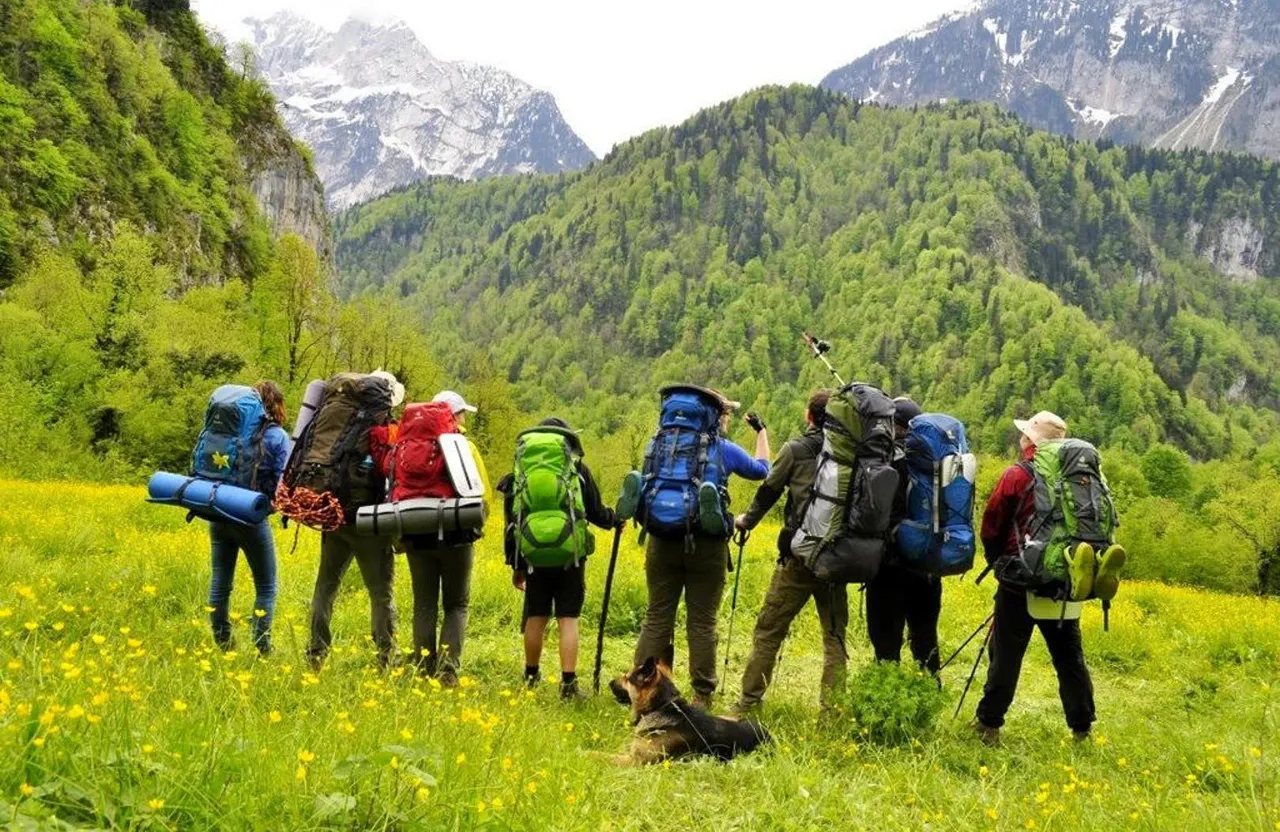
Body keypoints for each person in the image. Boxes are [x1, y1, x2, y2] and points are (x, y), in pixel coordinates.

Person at [633, 390, 770, 710]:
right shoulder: (722, 449)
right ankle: (701, 695)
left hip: (661, 538)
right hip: (707, 545)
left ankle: (642, 687)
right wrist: (762, 433)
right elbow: (763, 470)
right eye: (726, 414)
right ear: (715, 416)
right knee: (702, 621)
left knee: (657, 615)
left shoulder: (658, 444)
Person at [973, 410, 1095, 745]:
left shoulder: (1017, 474)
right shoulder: (1078, 477)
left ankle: (989, 725)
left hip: (1019, 579)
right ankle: (1082, 728)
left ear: (1030, 440)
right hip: (1066, 578)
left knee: (1007, 653)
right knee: (1069, 656)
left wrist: (997, 560)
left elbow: (992, 522)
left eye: (1025, 433)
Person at [732, 390, 848, 713]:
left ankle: (748, 703)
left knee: (769, 629)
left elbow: (768, 491)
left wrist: (746, 522)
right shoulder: (849, 454)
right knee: (834, 638)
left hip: (798, 559)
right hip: (837, 560)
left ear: (809, 416)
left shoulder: (795, 450)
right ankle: (832, 712)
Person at [497, 417, 618, 699]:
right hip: (569, 557)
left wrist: (516, 565)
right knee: (568, 618)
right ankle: (568, 683)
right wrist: (615, 520)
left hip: (532, 557)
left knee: (536, 615)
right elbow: (596, 512)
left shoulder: (520, 472)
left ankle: (530, 676)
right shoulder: (576, 469)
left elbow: (512, 522)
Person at [306, 370, 404, 671]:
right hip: (368, 520)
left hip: (334, 512)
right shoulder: (384, 429)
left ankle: (315, 655)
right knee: (380, 592)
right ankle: (385, 658)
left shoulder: (341, 417)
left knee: (326, 586)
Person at [399, 389, 489, 686]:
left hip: (415, 531)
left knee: (423, 604)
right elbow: (483, 494)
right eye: (462, 412)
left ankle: (424, 667)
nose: (464, 418)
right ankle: (448, 670)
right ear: (452, 415)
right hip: (455, 536)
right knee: (456, 604)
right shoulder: (464, 446)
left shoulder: (407, 444)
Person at [208, 381, 290, 656]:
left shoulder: (231, 433)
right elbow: (284, 481)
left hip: (218, 509)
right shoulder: (278, 437)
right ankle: (262, 646)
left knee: (221, 580)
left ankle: (223, 642)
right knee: (266, 585)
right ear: (278, 405)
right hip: (251, 517)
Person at [865, 396, 942, 675]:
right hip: (929, 565)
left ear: (893, 425)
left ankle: (886, 703)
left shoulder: (886, 461)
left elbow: (873, 513)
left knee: (886, 643)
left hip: (890, 567)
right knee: (925, 638)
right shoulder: (937, 463)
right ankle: (929, 697)